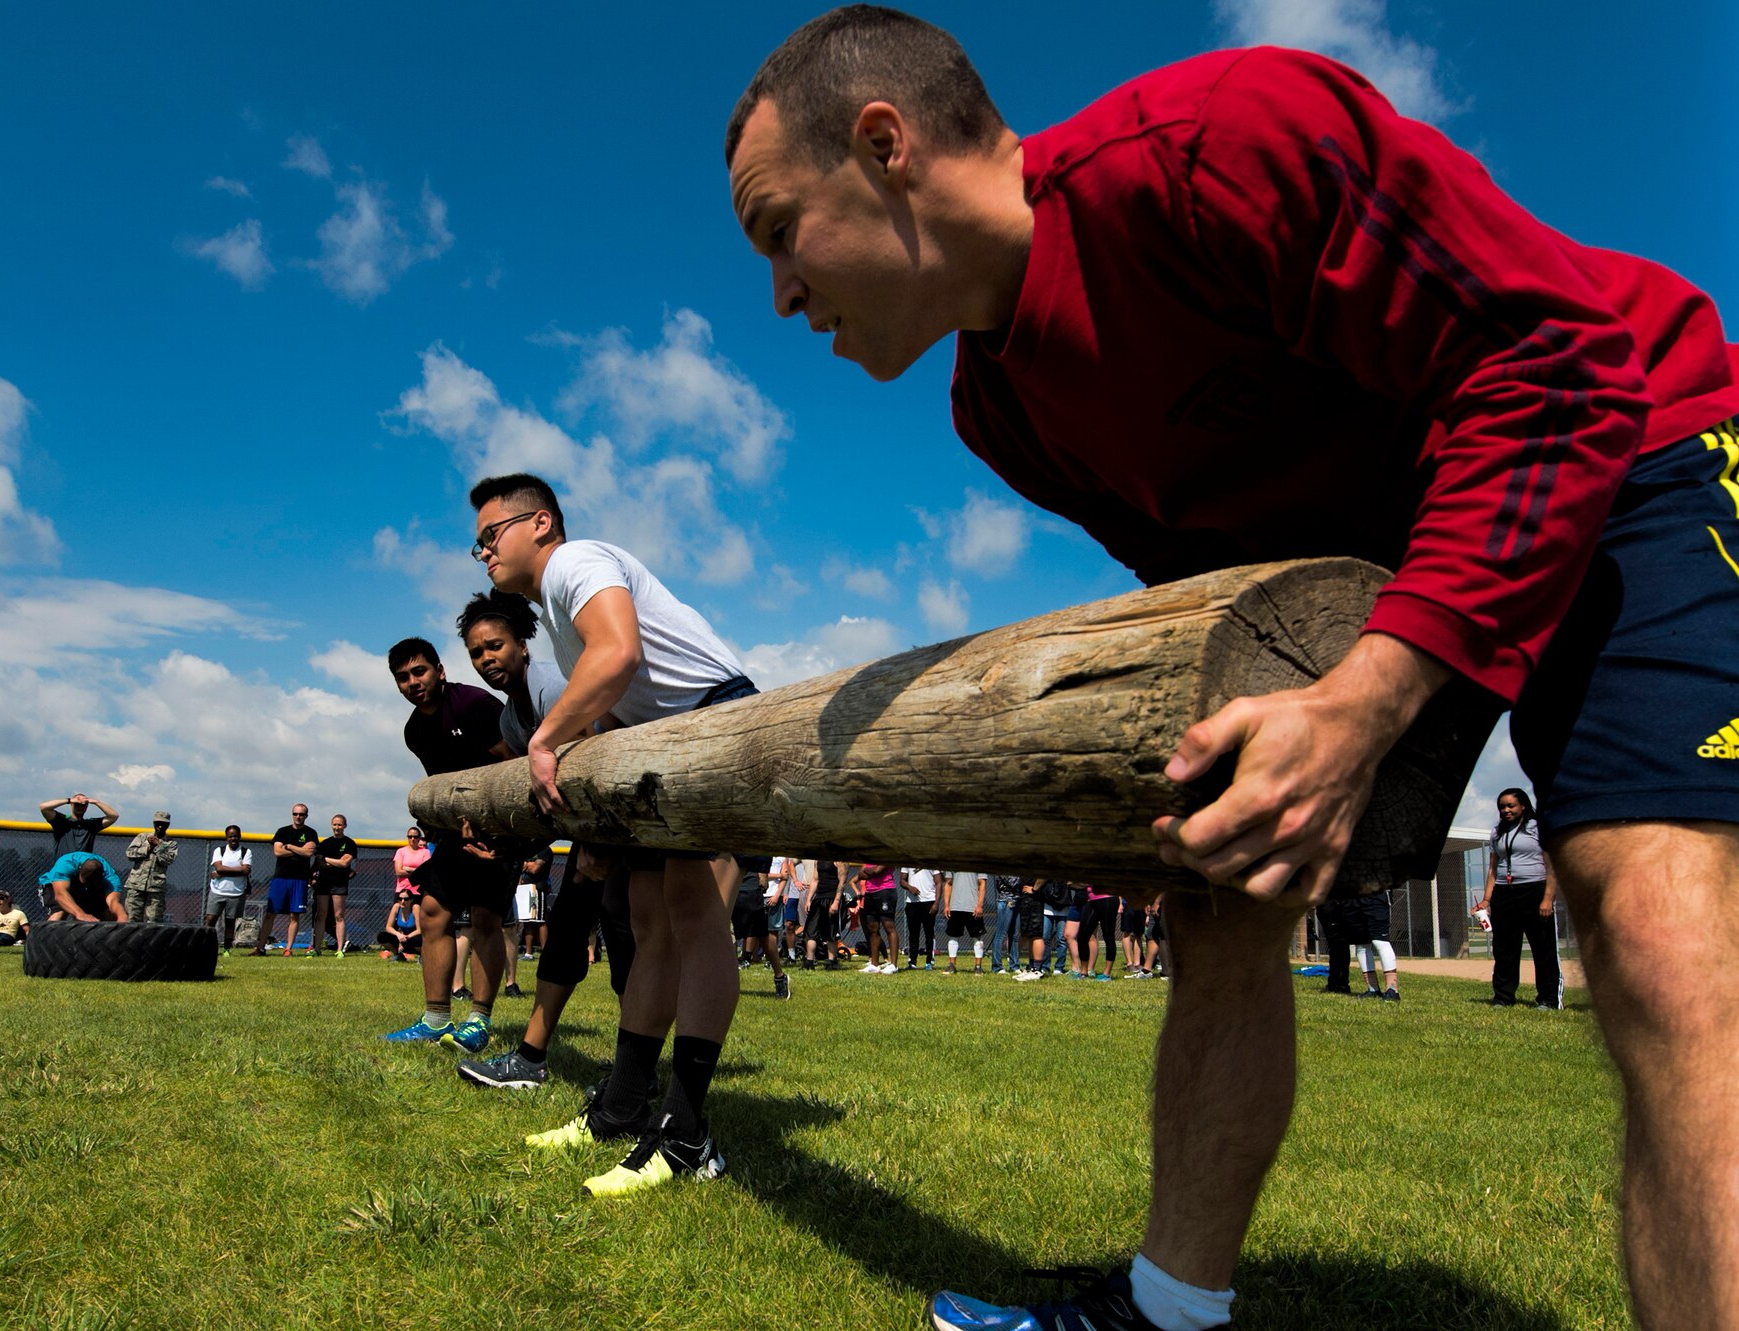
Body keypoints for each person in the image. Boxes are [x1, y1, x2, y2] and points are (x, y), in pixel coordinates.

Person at [727, 10, 1739, 1326]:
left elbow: (1558, 370)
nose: (779, 296)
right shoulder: (1000, 408)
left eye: (776, 230)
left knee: (1656, 926)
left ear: (885, 147)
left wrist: (1368, 699)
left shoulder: (1217, 145)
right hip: (1372, 556)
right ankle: (1169, 1306)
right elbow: (1212, 585)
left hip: (1634, 446)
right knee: (1220, 876)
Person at [471, 471, 758, 1198]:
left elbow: (620, 653)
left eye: (490, 535)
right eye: (475, 545)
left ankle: (690, 1135)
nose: (483, 554)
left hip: (712, 718)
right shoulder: (562, 620)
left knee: (692, 920)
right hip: (662, 741)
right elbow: (610, 705)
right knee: (648, 923)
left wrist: (545, 740)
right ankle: (625, 1105)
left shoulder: (575, 561)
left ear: (540, 524)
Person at [448, 588, 642, 1094]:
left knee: (626, 945)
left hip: (629, 827)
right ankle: (534, 1058)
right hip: (591, 832)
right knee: (572, 933)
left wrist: (604, 841)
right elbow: (541, 798)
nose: (486, 659)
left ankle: (633, 1076)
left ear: (523, 645)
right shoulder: (513, 718)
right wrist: (508, 846)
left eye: (495, 645)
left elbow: (605, 748)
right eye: (476, 652)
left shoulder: (553, 685)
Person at [382, 635, 515, 1053]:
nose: (412, 682)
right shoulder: (414, 729)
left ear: (439, 671)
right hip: (453, 836)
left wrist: (499, 834)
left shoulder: (476, 706)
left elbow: (514, 766)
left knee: (485, 922)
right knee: (433, 914)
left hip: (497, 835)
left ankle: (478, 1021)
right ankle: (436, 1018)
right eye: (402, 678)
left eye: (419, 672)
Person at [1482, 787, 1563, 1010]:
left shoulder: (1538, 828)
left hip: (1534, 891)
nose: (1505, 810)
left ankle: (1548, 998)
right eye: (1502, 806)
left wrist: (1547, 899)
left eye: (1510, 805)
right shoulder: (1497, 832)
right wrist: (1487, 900)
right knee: (1504, 948)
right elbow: (1492, 868)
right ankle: (1503, 997)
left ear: (1523, 806)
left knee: (1542, 947)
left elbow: (1552, 865)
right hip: (1504, 894)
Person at [254, 805, 318, 957]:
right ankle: (260, 947)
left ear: (306, 815)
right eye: (295, 814)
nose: (298, 817)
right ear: (292, 815)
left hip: (299, 879)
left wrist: (288, 846)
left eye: (301, 814)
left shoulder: (310, 833)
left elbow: (308, 852)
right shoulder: (282, 831)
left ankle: (288, 948)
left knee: (294, 915)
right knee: (270, 913)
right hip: (281, 878)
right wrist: (298, 850)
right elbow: (277, 851)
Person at [731, 854, 792, 999]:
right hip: (727, 882)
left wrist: (762, 880)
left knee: (762, 935)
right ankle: (730, 980)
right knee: (726, 934)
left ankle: (780, 976)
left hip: (749, 886)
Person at [312, 814, 358, 958]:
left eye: (340, 825)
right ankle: (317, 948)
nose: (337, 827)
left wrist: (327, 860)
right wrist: (334, 862)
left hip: (339, 883)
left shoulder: (349, 843)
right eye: (335, 824)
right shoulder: (325, 843)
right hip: (323, 883)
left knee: (339, 915)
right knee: (321, 915)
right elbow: (319, 863)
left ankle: (340, 949)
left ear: (344, 826)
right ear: (331, 825)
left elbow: (345, 863)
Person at [122, 811, 180, 925]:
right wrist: (148, 848)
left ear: (168, 825)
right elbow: (130, 854)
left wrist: (158, 846)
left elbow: (167, 860)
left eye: (163, 824)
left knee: (154, 919)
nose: (160, 826)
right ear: (154, 823)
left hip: (156, 887)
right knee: (133, 918)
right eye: (158, 823)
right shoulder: (142, 837)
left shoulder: (171, 843)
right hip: (136, 884)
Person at [204, 824, 252, 952]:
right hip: (217, 891)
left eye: (236, 836)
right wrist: (238, 869)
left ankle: (227, 949)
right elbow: (219, 867)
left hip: (236, 893)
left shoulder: (245, 852)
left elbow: (246, 871)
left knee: (230, 922)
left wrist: (221, 872)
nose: (233, 838)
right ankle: (207, 946)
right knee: (210, 919)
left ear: (240, 836)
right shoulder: (219, 851)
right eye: (230, 836)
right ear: (226, 838)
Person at [40, 853, 127, 922]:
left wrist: (121, 915)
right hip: (54, 884)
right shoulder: (66, 864)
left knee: (108, 914)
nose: (86, 885)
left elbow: (113, 902)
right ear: (79, 869)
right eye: (85, 882)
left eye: (90, 883)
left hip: (89, 890)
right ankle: (43, 942)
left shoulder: (111, 879)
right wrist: (80, 913)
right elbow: (60, 895)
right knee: (60, 911)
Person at [38, 793, 118, 857]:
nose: (80, 807)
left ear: (87, 806)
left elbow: (113, 816)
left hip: (83, 869)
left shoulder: (90, 825)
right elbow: (44, 807)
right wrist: (69, 800)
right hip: (64, 868)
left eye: (83, 805)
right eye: (77, 804)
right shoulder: (62, 821)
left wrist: (96, 802)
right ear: (72, 804)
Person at [941, 868, 988, 974]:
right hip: (955, 906)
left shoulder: (978, 862)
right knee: (953, 936)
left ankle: (978, 967)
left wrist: (980, 905)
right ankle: (951, 965)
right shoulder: (952, 862)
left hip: (973, 907)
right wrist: (946, 905)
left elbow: (982, 883)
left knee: (977, 937)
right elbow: (948, 884)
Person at [801, 858, 845, 970]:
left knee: (831, 932)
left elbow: (842, 881)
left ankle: (831, 962)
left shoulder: (838, 860)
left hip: (832, 897)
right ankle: (809, 962)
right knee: (811, 931)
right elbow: (815, 880)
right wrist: (809, 899)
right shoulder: (818, 860)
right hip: (819, 898)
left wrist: (836, 901)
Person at [858, 864, 901, 973]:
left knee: (889, 926)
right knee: (872, 928)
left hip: (885, 891)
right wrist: (870, 871)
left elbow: (876, 871)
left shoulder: (885, 855)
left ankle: (893, 965)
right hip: (869, 892)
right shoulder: (868, 858)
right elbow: (860, 874)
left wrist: (868, 871)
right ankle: (874, 964)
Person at [1075, 884, 1120, 982]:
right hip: (1092, 900)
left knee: (1108, 936)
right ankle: (1083, 972)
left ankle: (1106, 974)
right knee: (1082, 936)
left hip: (1108, 898)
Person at [902, 866, 942, 970]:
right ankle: (912, 961)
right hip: (912, 903)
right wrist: (910, 887)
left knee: (929, 933)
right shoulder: (907, 861)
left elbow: (938, 882)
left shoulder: (931, 860)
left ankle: (929, 961)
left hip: (929, 901)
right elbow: (902, 880)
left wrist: (936, 903)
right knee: (913, 934)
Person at [988, 874, 1023, 975]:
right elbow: (1012, 883)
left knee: (1015, 936)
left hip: (1017, 901)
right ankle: (997, 966)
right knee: (1001, 935)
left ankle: (1014, 965)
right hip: (1005, 901)